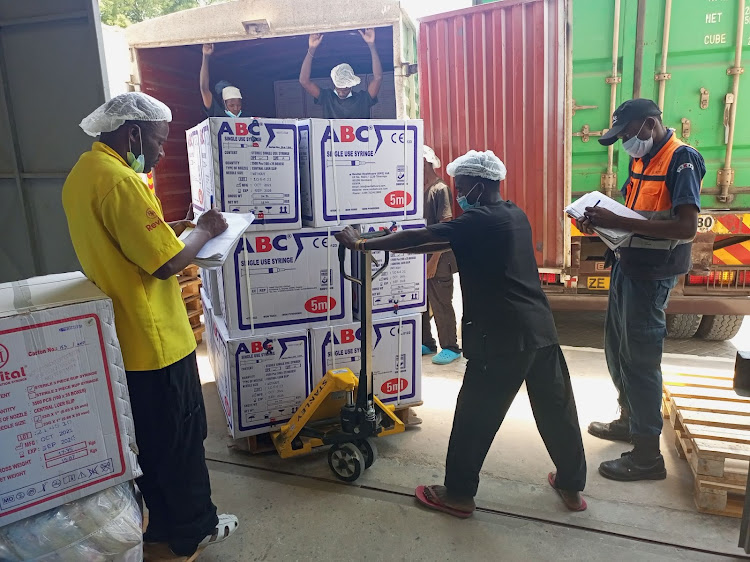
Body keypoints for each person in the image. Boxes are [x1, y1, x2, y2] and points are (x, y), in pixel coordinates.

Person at [336, 150, 588, 517]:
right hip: (541, 332)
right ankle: (571, 485)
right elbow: (436, 241)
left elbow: (420, 237)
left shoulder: (477, 221)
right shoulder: (513, 215)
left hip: (500, 339)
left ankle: (457, 494)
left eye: (462, 186)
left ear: (479, 185)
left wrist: (361, 243)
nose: (458, 193)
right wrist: (384, 239)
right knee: (557, 412)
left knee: (475, 417)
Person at [62, 92, 239, 557]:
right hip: (156, 339)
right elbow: (163, 265)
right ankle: (193, 529)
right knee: (181, 441)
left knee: (153, 443)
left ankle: (160, 525)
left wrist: (175, 227)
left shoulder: (82, 176)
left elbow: (128, 244)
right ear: (133, 133)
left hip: (123, 339)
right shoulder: (121, 181)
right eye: (158, 142)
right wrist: (205, 229)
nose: (160, 154)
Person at [578, 98, 704, 482]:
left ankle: (648, 455)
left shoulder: (682, 159)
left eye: (629, 134)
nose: (625, 143)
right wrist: (600, 222)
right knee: (617, 349)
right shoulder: (640, 159)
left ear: (650, 125)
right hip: (628, 263)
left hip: (653, 273)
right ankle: (629, 419)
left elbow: (686, 228)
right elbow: (635, 213)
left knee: (640, 359)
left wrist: (618, 221)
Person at [421, 146, 461, 365]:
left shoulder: (439, 190)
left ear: (425, 163)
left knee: (441, 303)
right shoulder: (419, 189)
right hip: (421, 256)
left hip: (439, 258)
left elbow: (446, 227)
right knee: (420, 303)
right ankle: (427, 342)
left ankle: (451, 347)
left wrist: (434, 261)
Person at [299, 28, 382, 118]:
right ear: (334, 83)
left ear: (351, 84)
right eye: (339, 87)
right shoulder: (327, 97)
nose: (342, 92)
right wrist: (312, 48)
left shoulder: (363, 99)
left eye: (345, 88)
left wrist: (371, 45)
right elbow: (304, 81)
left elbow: (378, 78)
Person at [200, 43, 243, 118]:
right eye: (231, 105)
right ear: (224, 103)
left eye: (238, 105)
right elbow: (204, 88)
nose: (236, 108)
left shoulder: (246, 118)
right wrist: (206, 56)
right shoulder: (216, 112)